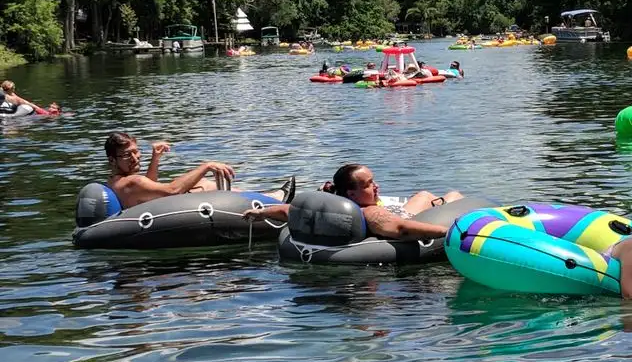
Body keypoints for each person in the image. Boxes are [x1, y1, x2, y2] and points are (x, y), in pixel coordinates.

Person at [243, 164, 464, 240]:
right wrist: (451, 231)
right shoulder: (368, 214)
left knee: (424, 194)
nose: (376, 186)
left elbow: (289, 209)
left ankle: (441, 200)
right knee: (454, 196)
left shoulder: (336, 207)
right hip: (410, 218)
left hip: (398, 210)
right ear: (351, 194)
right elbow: (401, 228)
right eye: (368, 184)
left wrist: (262, 212)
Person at [104, 132, 295, 209]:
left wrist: (155, 160)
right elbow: (171, 191)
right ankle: (272, 200)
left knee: (202, 185)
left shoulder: (116, 181)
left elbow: (148, 189)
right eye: (128, 155)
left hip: (151, 208)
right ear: (112, 160)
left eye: (137, 152)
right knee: (204, 185)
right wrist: (206, 166)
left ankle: (268, 197)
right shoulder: (131, 182)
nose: (135, 158)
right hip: (161, 214)